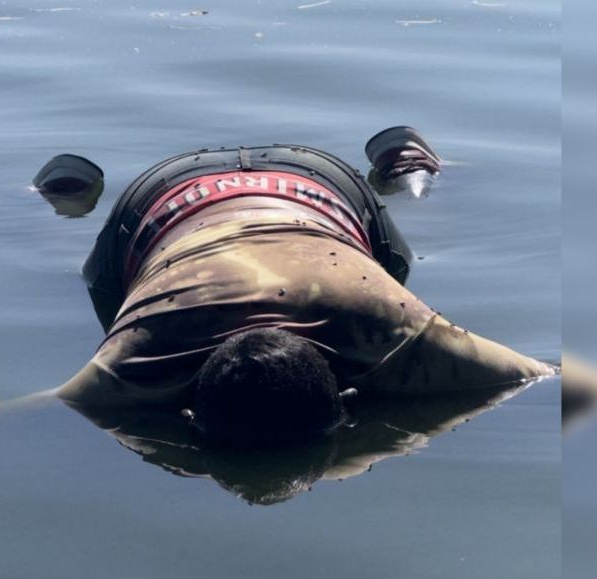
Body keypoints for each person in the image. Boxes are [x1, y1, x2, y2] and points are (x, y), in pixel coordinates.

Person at [54, 127, 555, 444]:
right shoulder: (131, 359)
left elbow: (540, 373)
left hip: (316, 188)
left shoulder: (389, 322)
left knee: (398, 259)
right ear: (349, 394)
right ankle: (65, 184)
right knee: (90, 269)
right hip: (172, 194)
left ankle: (408, 164)